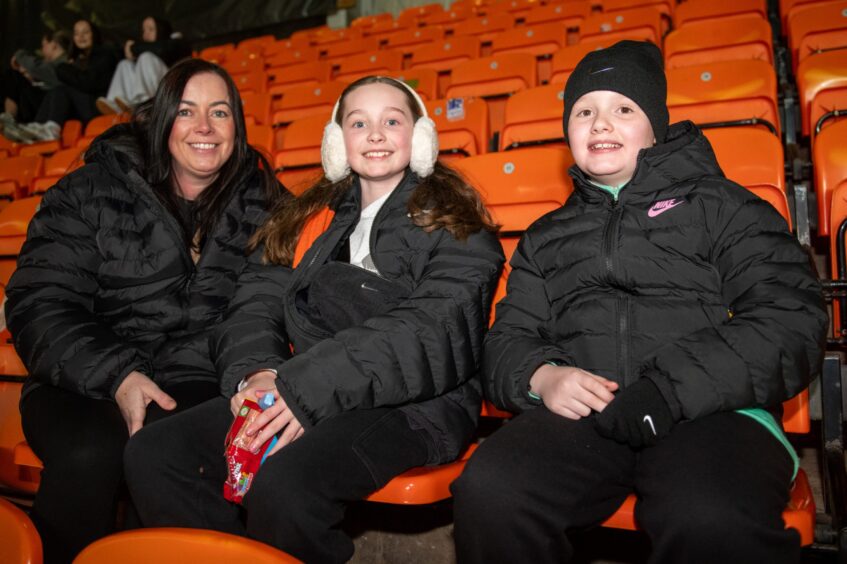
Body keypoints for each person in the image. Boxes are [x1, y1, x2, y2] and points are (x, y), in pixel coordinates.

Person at [451, 40, 827, 564]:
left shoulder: (725, 206)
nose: (600, 124)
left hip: (712, 409)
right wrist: (543, 376)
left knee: (706, 515)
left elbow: (791, 319)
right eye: (584, 112)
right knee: (491, 491)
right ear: (568, 132)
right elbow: (509, 338)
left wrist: (668, 390)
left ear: (656, 126)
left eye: (623, 109)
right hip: (590, 413)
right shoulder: (546, 235)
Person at [124, 75, 504, 563]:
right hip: (300, 387)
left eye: (393, 120)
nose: (375, 134)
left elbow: (432, 328)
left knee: (284, 487)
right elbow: (253, 304)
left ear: (422, 136)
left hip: (414, 406)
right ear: (336, 141)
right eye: (358, 122)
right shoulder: (307, 219)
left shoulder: (457, 223)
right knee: (156, 453)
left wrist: (305, 387)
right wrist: (258, 370)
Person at [5, 58, 284, 563]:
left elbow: (264, 303)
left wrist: (252, 373)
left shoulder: (262, 202)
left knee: (169, 450)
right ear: (160, 121)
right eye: (186, 111)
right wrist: (117, 375)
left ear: (237, 128)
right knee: (92, 453)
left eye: (219, 113)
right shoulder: (89, 191)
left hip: (199, 376)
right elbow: (40, 302)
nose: (204, 127)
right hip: (83, 377)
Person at [17, 19, 118, 141]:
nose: (81, 37)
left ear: (94, 34)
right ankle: (38, 128)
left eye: (85, 32)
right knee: (54, 91)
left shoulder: (105, 54)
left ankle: (52, 129)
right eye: (76, 33)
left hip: (98, 106)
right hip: (82, 107)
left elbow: (88, 83)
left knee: (62, 90)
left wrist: (65, 68)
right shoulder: (77, 60)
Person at [97, 16, 190, 115]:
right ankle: (115, 104)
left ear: (161, 29)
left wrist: (133, 48)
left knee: (146, 57)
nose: (146, 34)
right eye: (144, 30)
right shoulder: (145, 51)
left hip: (169, 92)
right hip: (153, 87)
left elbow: (162, 50)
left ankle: (142, 101)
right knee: (124, 64)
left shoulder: (176, 41)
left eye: (151, 29)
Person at [0, 29, 72, 137]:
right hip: (44, 102)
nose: (42, 50)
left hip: (51, 107)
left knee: (14, 75)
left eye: (44, 45)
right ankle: (8, 120)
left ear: (54, 44)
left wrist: (20, 55)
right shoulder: (53, 65)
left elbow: (36, 67)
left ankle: (9, 119)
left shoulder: (65, 62)